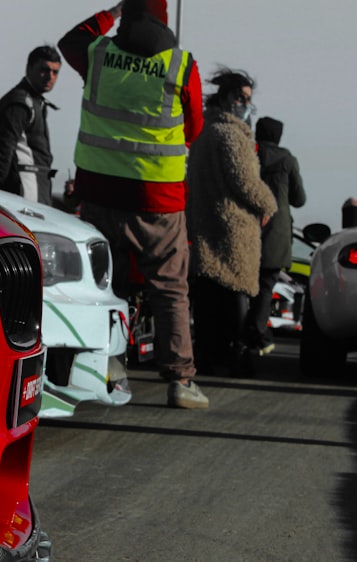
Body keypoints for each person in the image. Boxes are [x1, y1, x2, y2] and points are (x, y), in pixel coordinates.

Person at [58, 0, 208, 408]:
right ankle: (180, 381)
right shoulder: (180, 65)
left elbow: (68, 41)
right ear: (162, 16)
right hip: (158, 198)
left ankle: (109, 368)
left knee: (109, 286)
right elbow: (194, 126)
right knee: (170, 289)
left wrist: (113, 13)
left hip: (101, 193)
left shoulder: (99, 54)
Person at [186, 68, 277, 377]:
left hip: (204, 225)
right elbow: (246, 182)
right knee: (235, 292)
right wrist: (269, 203)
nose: (245, 105)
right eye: (241, 98)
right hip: (233, 229)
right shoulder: (233, 135)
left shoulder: (203, 133)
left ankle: (208, 357)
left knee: (208, 298)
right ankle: (236, 355)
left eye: (248, 99)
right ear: (226, 98)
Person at [243, 116, 306, 358]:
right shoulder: (287, 160)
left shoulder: (248, 155)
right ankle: (257, 333)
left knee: (240, 287)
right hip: (276, 233)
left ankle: (245, 333)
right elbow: (299, 200)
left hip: (246, 227)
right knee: (266, 286)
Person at [0, 45, 61, 205]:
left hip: (35, 190)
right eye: (44, 69)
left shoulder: (35, 102)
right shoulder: (20, 103)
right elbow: (3, 152)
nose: (50, 77)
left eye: (55, 72)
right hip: (24, 194)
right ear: (29, 68)